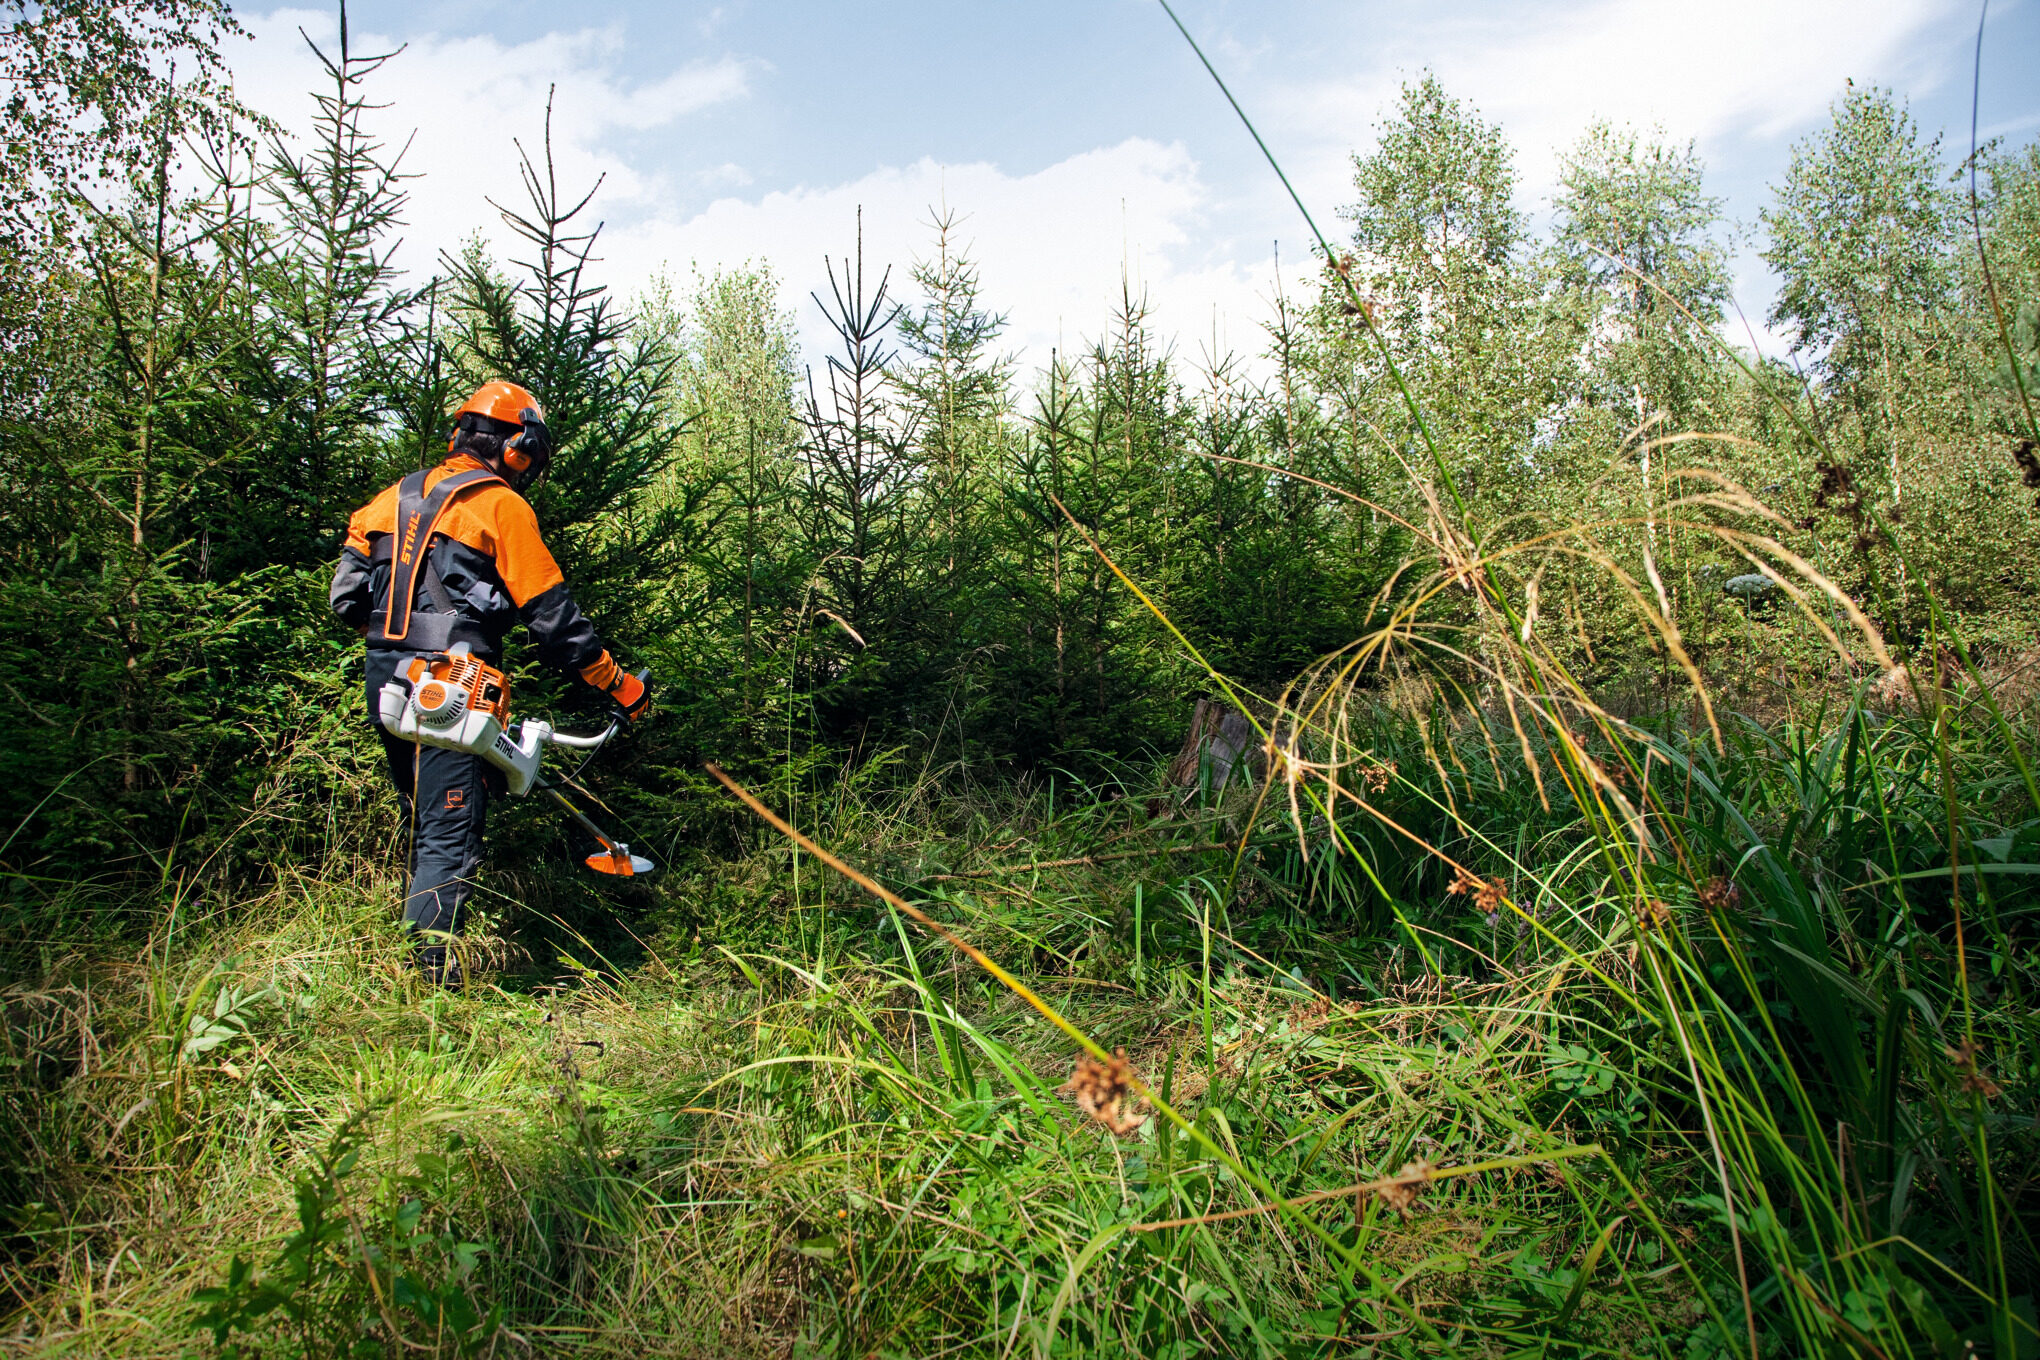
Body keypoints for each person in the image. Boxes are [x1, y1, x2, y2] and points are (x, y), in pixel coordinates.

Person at [329, 381, 651, 985]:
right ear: (517, 448)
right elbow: (554, 618)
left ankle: (410, 961)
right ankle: (429, 994)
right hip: (453, 687)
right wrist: (616, 684)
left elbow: (347, 601)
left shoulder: (383, 503)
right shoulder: (500, 506)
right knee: (449, 835)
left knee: (423, 822)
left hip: (387, 681)